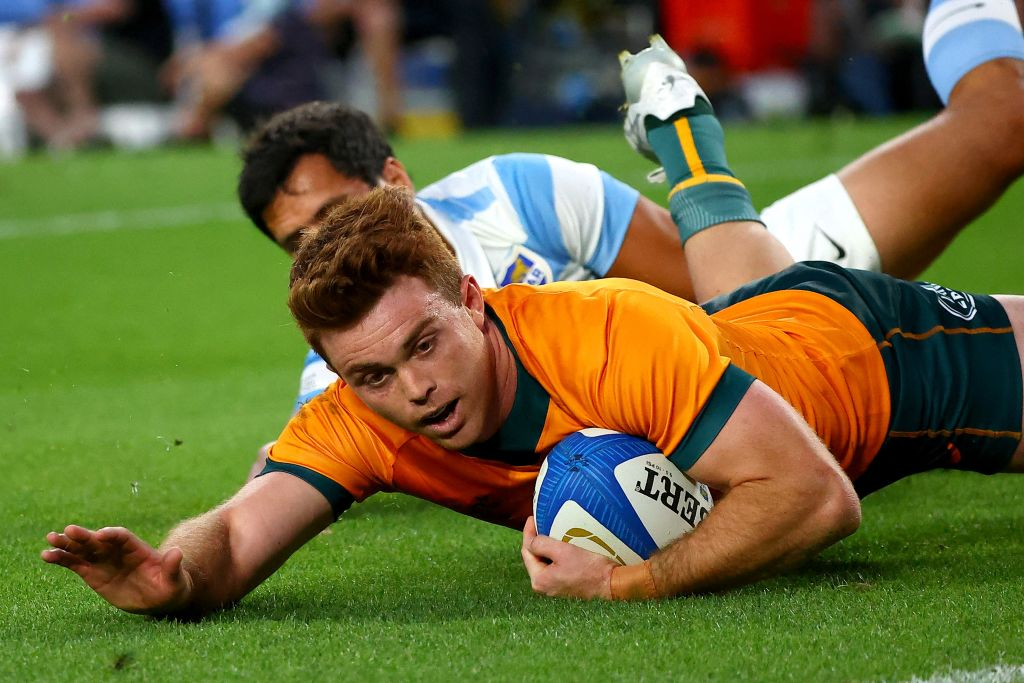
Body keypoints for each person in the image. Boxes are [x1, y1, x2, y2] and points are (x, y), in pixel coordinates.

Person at [40, 4, 1024, 609]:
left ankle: (688, 148)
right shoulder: (356, 407)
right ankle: (691, 152)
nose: (414, 390)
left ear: (472, 295)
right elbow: (240, 529)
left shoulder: (586, 303)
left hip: (858, 357)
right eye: (372, 374)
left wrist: (626, 581)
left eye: (424, 344)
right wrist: (174, 572)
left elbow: (812, 495)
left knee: (992, 124)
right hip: (728, 367)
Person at [238, 2, 1024, 472]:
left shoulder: (516, 192)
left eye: (333, 212)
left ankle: (690, 152)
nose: (320, 245)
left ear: (395, 178)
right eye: (296, 242)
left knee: (1002, 121)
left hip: (750, 303)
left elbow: (713, 302)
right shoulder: (351, 368)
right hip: (709, 400)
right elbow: (322, 458)